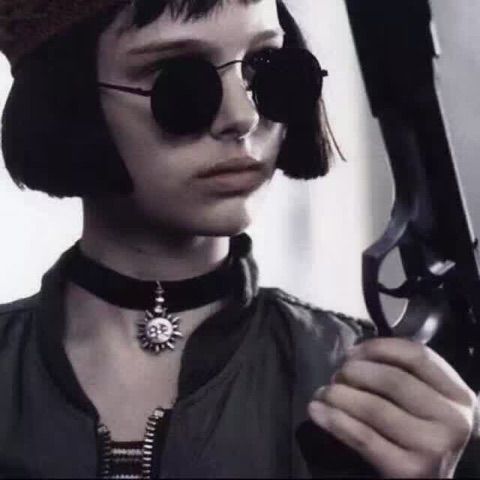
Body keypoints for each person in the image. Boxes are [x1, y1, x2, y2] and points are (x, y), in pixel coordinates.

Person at [0, 0, 477, 477]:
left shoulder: (389, 398)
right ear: (66, 99)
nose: (242, 116)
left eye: (264, 66)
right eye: (177, 79)